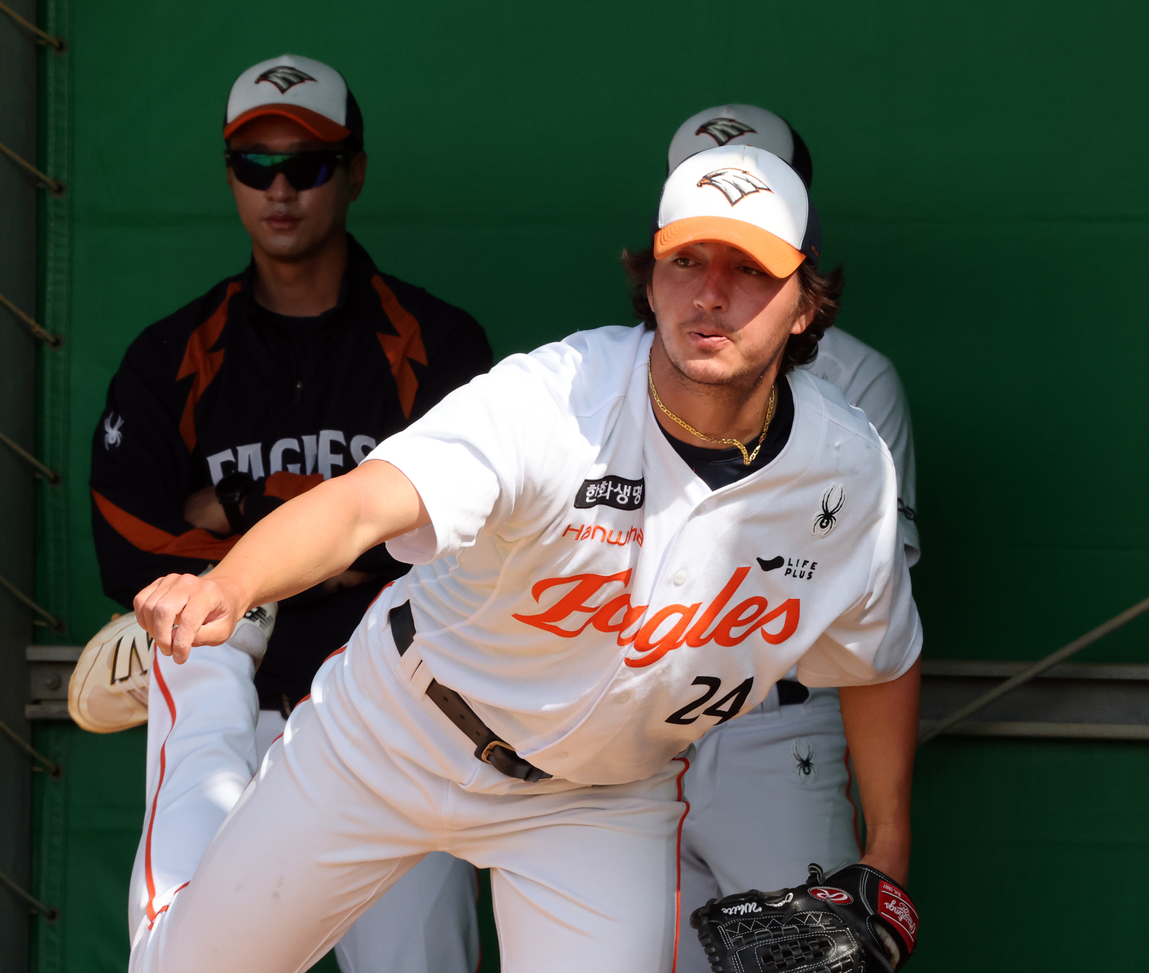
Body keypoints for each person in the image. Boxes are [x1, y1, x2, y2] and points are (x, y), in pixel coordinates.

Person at [127, 143, 922, 973]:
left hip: (598, 800)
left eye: (750, 268)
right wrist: (230, 583)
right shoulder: (558, 396)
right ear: (648, 280)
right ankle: (204, 681)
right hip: (399, 732)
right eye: (684, 259)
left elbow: (879, 651)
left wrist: (888, 852)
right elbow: (366, 500)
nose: (710, 293)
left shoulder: (843, 467)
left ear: (805, 305)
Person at [75, 55, 492, 973]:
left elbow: (478, 542)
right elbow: (130, 545)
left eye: (305, 166)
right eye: (252, 164)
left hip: (394, 718)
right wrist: (334, 537)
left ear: (353, 172)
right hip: (235, 710)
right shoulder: (171, 356)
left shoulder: (439, 345)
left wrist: (239, 512)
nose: (278, 189)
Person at [657, 104, 920, 972]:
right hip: (634, 734)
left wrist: (887, 843)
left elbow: (870, 612)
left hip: (781, 730)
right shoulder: (625, 368)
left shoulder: (855, 379)